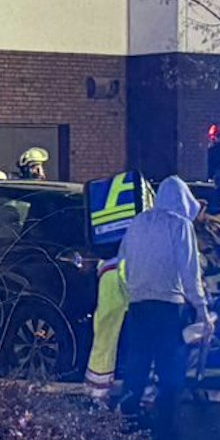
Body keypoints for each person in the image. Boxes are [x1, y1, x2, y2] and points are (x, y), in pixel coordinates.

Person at [112, 177, 211, 440]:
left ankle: (128, 426)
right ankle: (165, 431)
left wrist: (131, 292)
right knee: (171, 373)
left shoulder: (138, 222)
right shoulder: (180, 225)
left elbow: (123, 262)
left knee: (136, 368)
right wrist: (201, 309)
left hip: (138, 308)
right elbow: (189, 271)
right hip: (170, 310)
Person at [82, 172, 152, 402]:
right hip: (129, 272)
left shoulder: (112, 210)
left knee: (105, 332)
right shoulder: (154, 214)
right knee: (140, 335)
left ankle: (96, 392)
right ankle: (141, 393)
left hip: (109, 271)